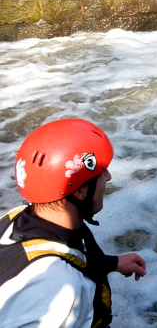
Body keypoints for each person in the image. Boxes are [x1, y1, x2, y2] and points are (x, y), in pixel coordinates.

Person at [0, 118, 147, 328]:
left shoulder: (16, 219)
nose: (108, 176)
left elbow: (50, 252)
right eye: (100, 172)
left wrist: (110, 263)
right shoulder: (60, 290)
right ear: (79, 191)